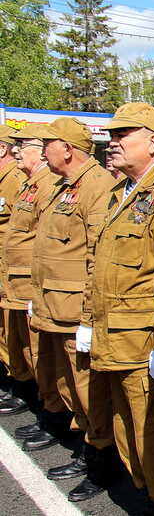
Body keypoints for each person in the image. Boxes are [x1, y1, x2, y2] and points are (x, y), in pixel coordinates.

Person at [87, 102, 154, 512]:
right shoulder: (122, 191)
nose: (111, 142)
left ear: (152, 142)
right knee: (125, 426)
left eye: (122, 135)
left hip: (144, 341)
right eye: (112, 135)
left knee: (152, 434)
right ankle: (152, 493)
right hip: (112, 335)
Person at [29, 117, 117, 501]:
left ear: (67, 147)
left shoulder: (97, 187)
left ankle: (99, 462)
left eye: (48, 142)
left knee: (88, 393)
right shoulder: (62, 186)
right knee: (67, 384)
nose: (38, 148)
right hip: (52, 305)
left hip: (74, 311)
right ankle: (83, 445)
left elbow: (96, 257)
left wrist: (87, 317)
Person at [1, 124, 66, 450]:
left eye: (22, 145)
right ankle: (41, 406)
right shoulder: (29, 183)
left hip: (37, 284)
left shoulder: (48, 185)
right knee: (25, 347)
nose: (16, 151)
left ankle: (54, 417)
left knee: (42, 354)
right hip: (20, 279)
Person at [0, 125, 27, 410]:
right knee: (10, 333)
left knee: (20, 338)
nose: (18, 150)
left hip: (21, 273)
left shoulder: (14, 180)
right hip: (9, 267)